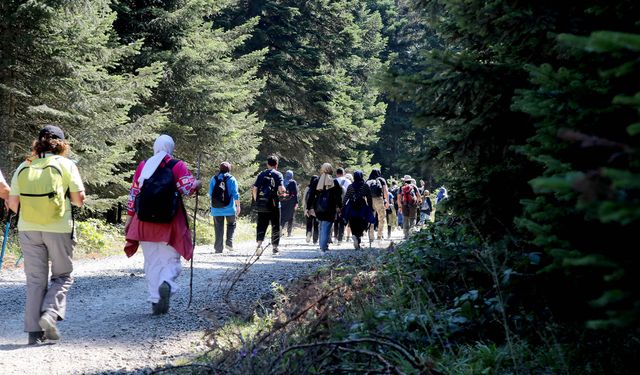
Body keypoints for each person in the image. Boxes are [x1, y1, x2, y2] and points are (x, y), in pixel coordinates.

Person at [7, 125, 85, 345]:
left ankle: (33, 334)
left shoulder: (25, 165)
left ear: (37, 143)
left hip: (28, 229)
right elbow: (78, 199)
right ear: (62, 144)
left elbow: (13, 204)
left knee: (34, 281)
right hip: (59, 228)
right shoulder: (66, 164)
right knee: (63, 276)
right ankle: (50, 314)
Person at [124, 134, 201, 315]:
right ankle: (166, 283)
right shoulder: (176, 165)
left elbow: (134, 193)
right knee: (170, 260)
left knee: (151, 262)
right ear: (170, 148)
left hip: (143, 222)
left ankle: (154, 300)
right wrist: (197, 183)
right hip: (169, 222)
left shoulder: (144, 165)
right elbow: (186, 189)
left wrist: (128, 219)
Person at [252, 155, 286, 254]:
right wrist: (283, 192)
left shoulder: (261, 174)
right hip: (274, 204)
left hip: (262, 203)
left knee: (261, 224)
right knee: (275, 225)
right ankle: (275, 247)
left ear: (267, 164)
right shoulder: (278, 174)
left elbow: (255, 189)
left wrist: (257, 200)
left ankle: (259, 245)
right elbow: (281, 189)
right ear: (276, 165)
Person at [307, 163, 342, 252]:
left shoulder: (316, 181)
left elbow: (311, 195)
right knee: (326, 226)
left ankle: (323, 245)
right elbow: (338, 196)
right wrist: (339, 207)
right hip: (330, 208)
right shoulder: (334, 182)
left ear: (322, 170)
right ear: (331, 170)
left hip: (318, 208)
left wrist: (308, 207)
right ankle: (323, 247)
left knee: (322, 225)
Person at [209, 162, 240, 253]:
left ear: (220, 169)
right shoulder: (232, 179)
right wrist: (238, 206)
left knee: (218, 228)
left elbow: (210, 193)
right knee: (231, 224)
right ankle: (229, 243)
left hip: (216, 209)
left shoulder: (214, 178)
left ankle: (218, 248)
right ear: (229, 169)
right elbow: (236, 194)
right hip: (230, 208)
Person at [342, 170, 373, 250]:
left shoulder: (350, 186)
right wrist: (370, 207)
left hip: (352, 207)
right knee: (363, 223)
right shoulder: (365, 186)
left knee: (353, 223)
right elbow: (369, 197)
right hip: (362, 207)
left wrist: (343, 207)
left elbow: (346, 198)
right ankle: (357, 238)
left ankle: (355, 236)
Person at [366, 169, 389, 241]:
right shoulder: (381, 180)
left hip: (369, 200)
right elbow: (385, 191)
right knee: (381, 218)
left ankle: (371, 237)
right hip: (379, 199)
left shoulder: (368, 180)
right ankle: (379, 236)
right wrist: (387, 201)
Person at [333, 167, 350, 243]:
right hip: (345, 204)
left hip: (335, 204)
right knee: (342, 221)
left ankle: (335, 237)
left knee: (335, 220)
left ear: (336, 174)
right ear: (344, 174)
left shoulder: (334, 181)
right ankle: (340, 237)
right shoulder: (348, 181)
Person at [280, 170, 298, 237]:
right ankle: (289, 233)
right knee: (291, 217)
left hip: (283, 201)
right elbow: (295, 193)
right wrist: (296, 202)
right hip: (291, 202)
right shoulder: (293, 182)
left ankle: (280, 229)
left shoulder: (282, 181)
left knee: (282, 216)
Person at [303, 175, 320, 244]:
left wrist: (305, 208)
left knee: (309, 223)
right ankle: (315, 240)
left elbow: (304, 199)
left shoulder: (308, 188)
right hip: (316, 210)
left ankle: (308, 233)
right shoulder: (319, 188)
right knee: (316, 225)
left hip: (309, 209)